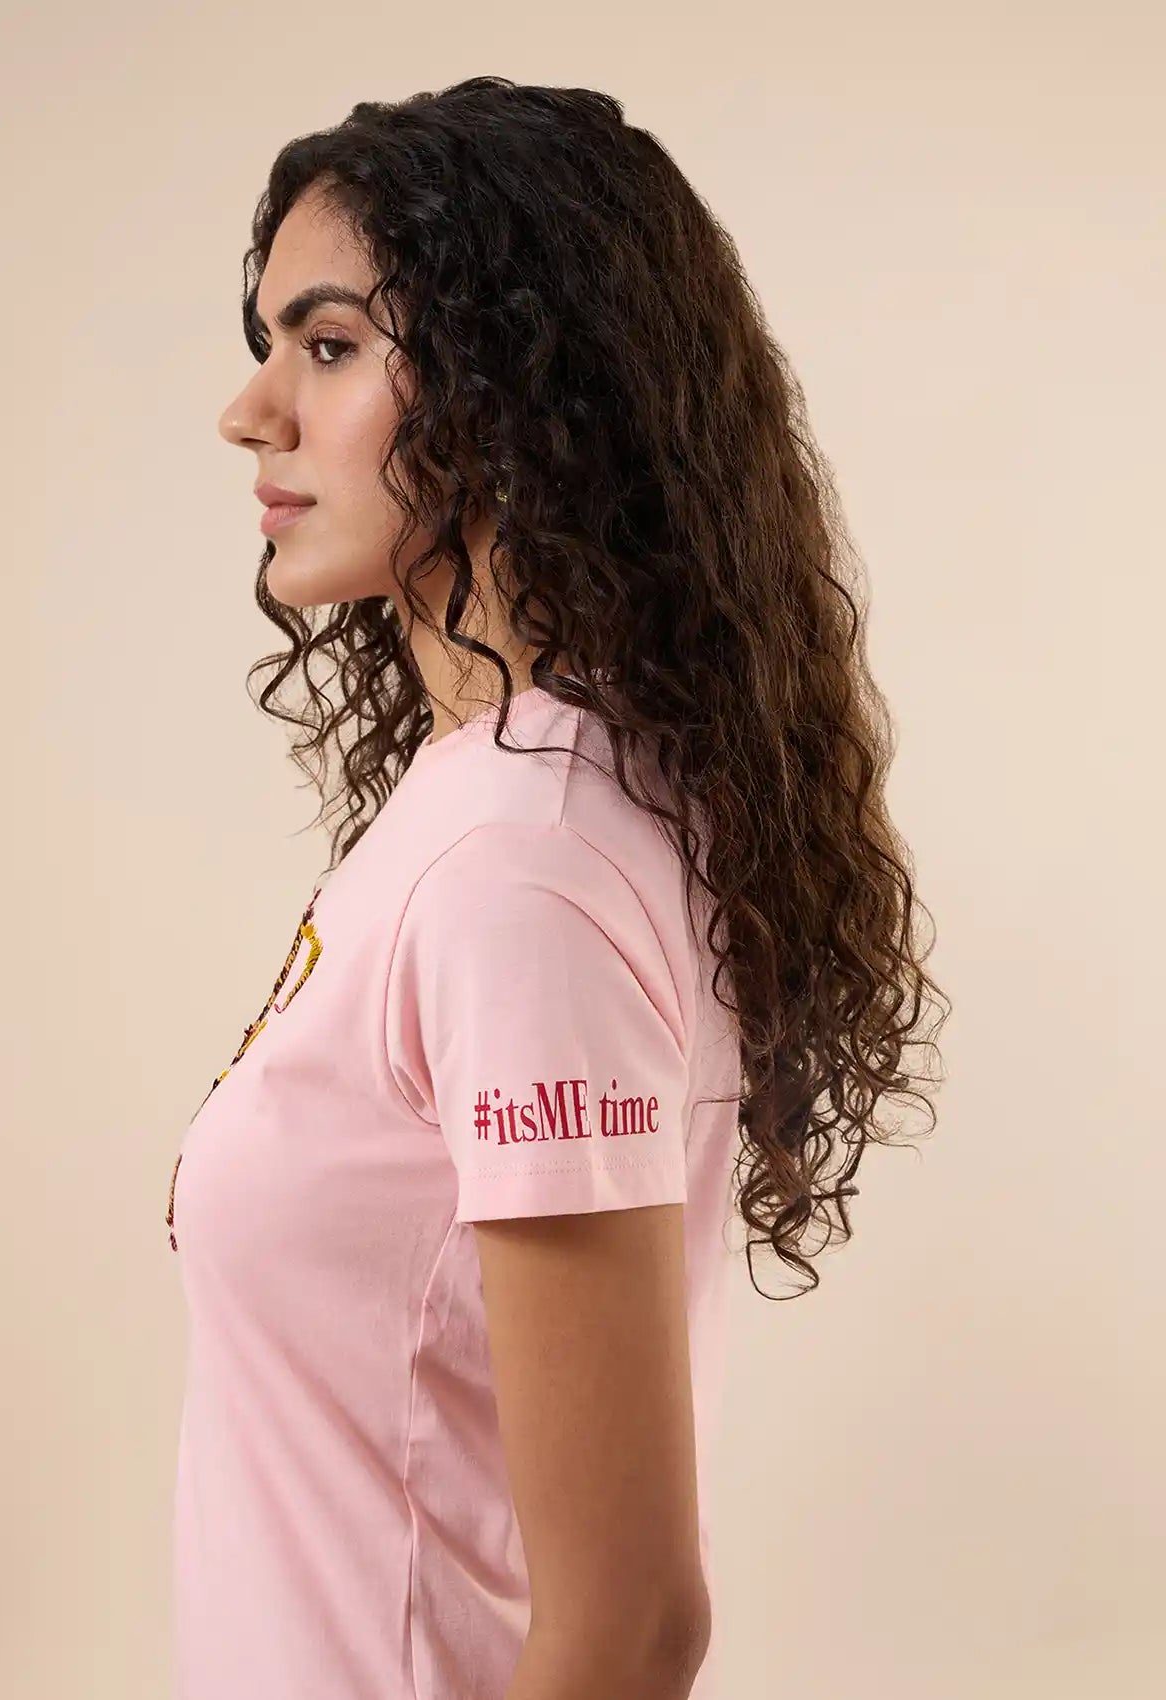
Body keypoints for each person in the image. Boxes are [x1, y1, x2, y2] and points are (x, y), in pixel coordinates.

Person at [167, 77, 947, 1700]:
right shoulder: (491, 805)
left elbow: (628, 1625)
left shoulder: (521, 867)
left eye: (330, 347)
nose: (254, 411)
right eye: (272, 346)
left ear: (515, 385)